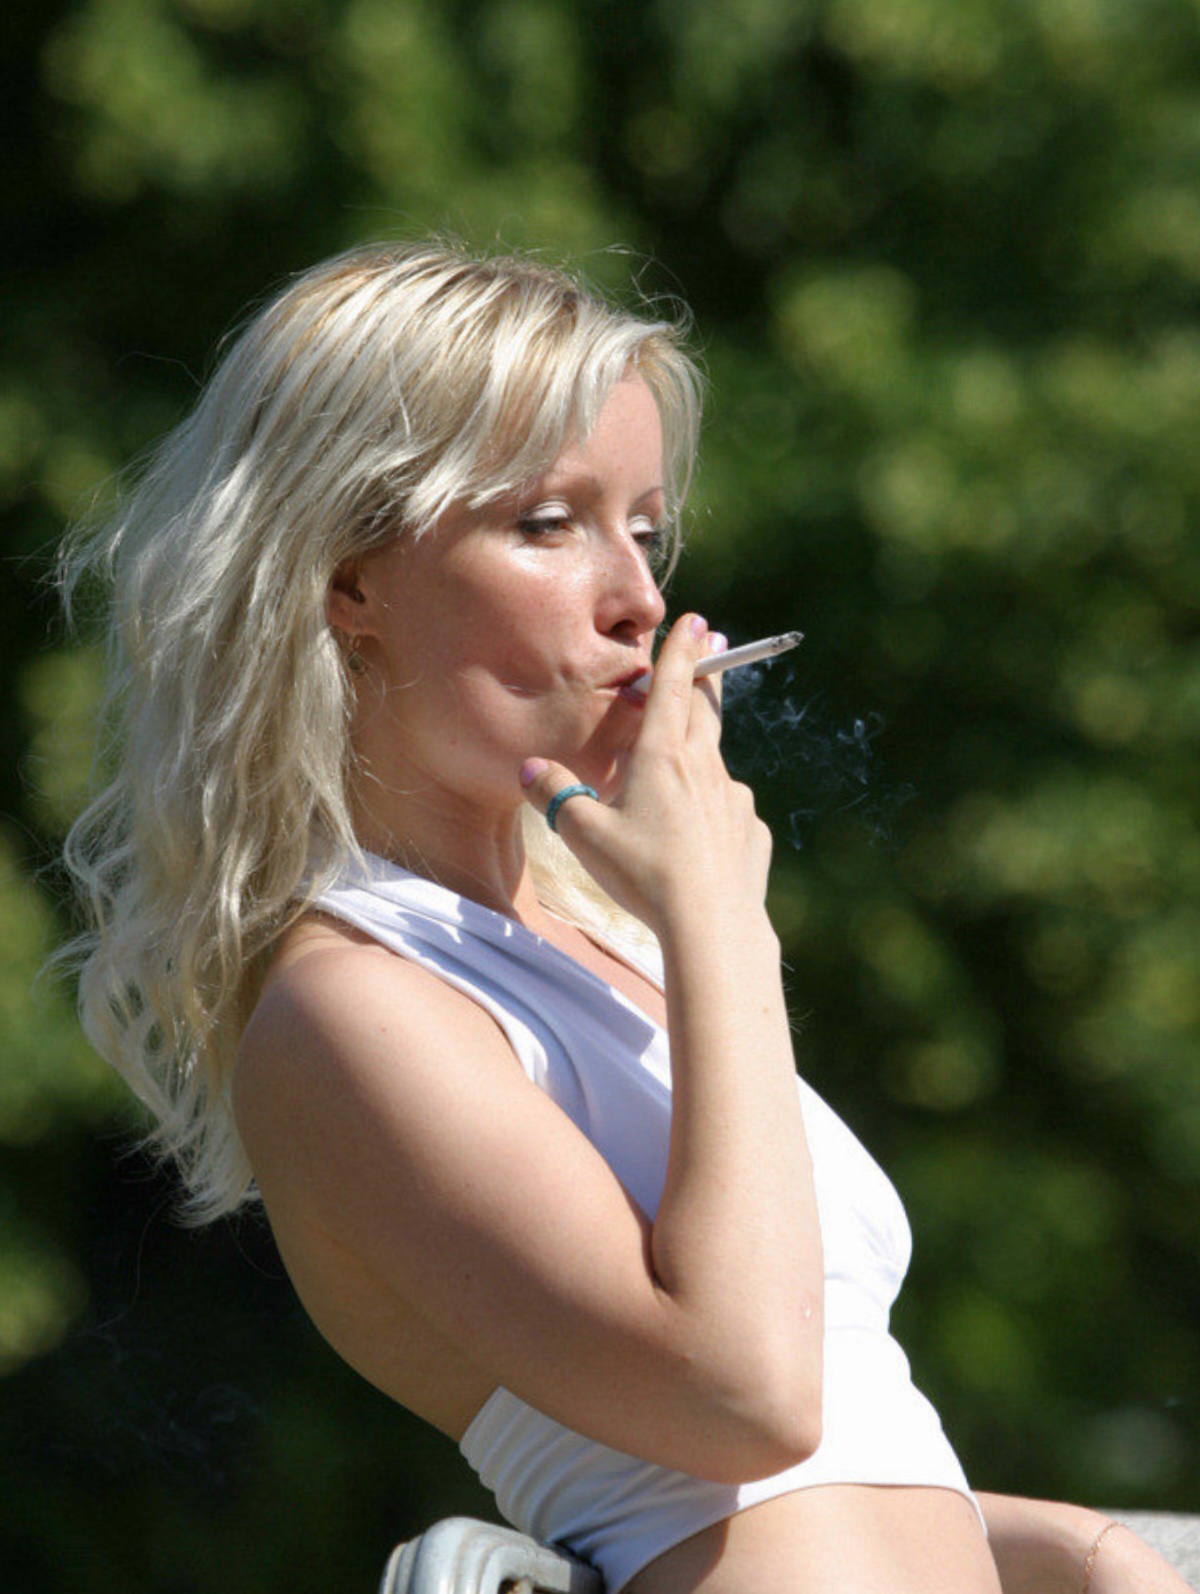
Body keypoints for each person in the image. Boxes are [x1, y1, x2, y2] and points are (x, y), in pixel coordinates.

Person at [59, 240, 1190, 1594]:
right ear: (348, 578)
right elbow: (738, 1398)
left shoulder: (599, 942)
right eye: (551, 523)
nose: (641, 602)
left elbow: (823, 1463)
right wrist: (725, 924)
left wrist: (1081, 1545)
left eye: (645, 531)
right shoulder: (348, 1002)